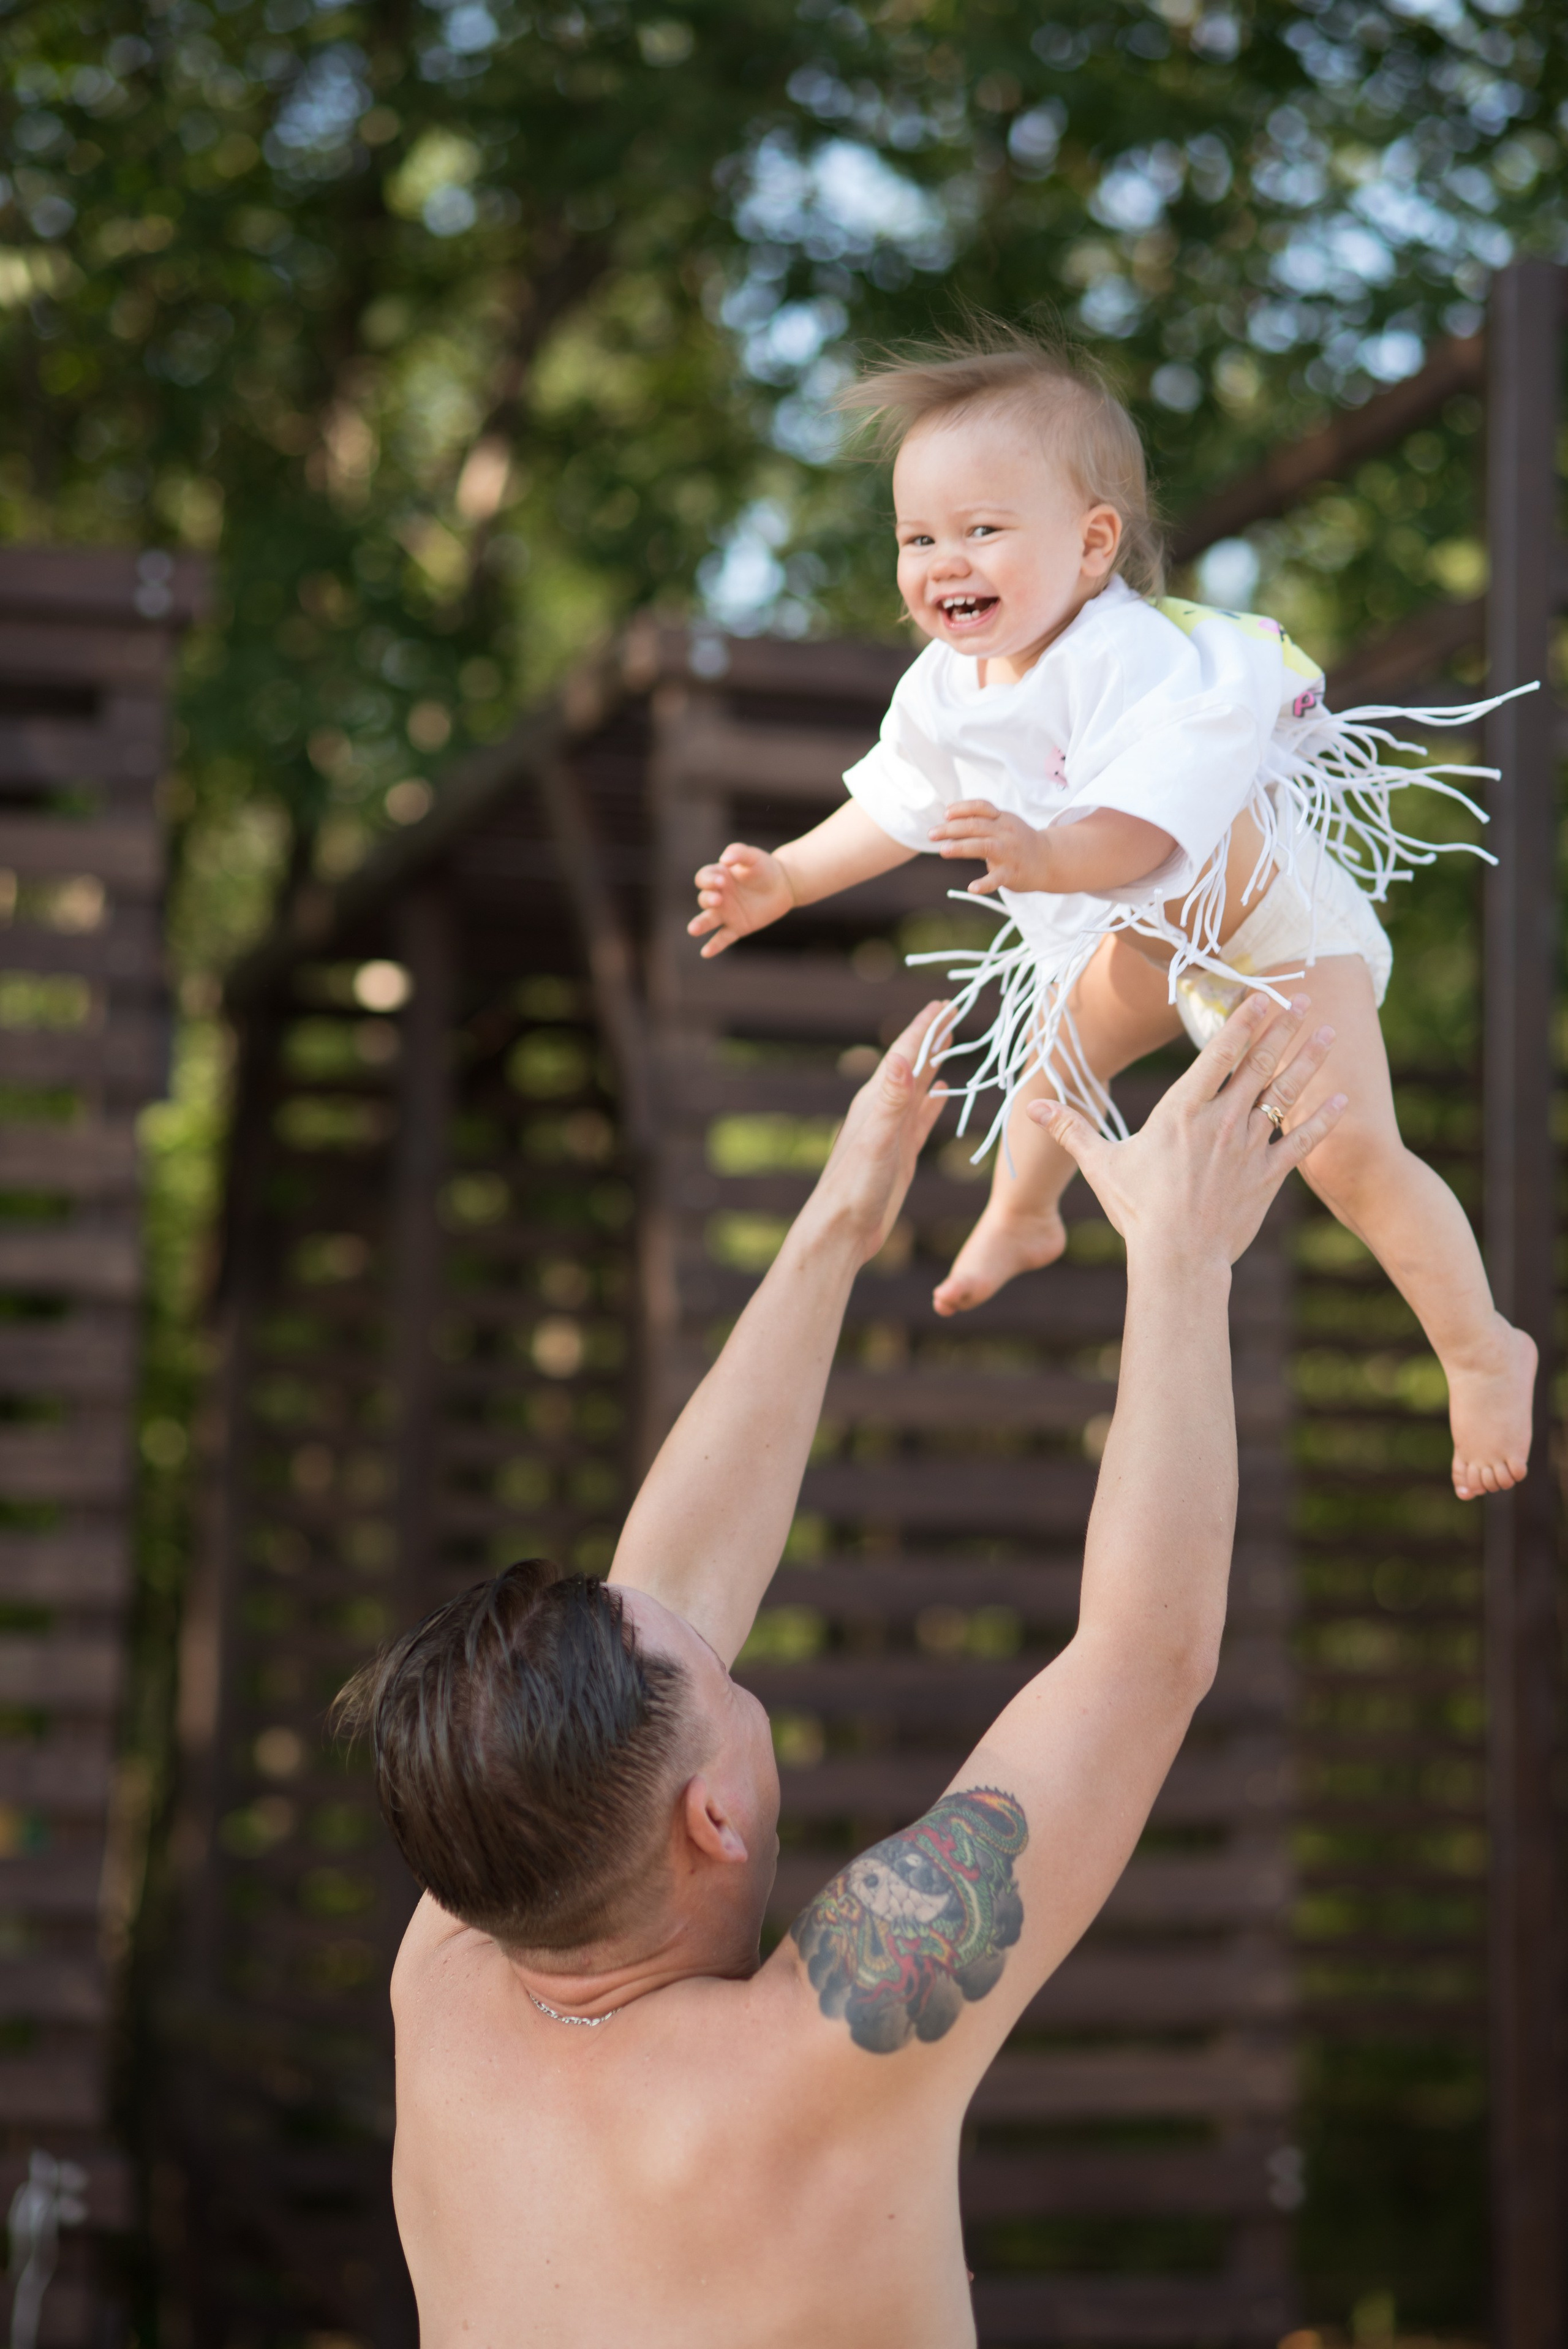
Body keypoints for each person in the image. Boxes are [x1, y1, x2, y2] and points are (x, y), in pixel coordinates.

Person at [347, 991, 1343, 2349]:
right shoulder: (819, 2053)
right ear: (712, 1814)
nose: (707, 1628)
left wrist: (841, 1219)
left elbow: (667, 1598)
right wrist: (1182, 1259)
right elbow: (1139, 1659)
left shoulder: (460, 1957)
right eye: (720, 1677)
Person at [686, 328, 1534, 1502]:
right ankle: (1025, 1214)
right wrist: (785, 877)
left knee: (1347, 1152)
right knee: (1051, 1076)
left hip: (1267, 935)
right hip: (1144, 941)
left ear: (1093, 545)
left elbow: (1145, 834)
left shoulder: (1132, 655)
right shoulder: (943, 685)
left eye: (983, 529)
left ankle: (1482, 1345)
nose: (945, 561)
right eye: (917, 537)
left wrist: (1040, 851)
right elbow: (891, 805)